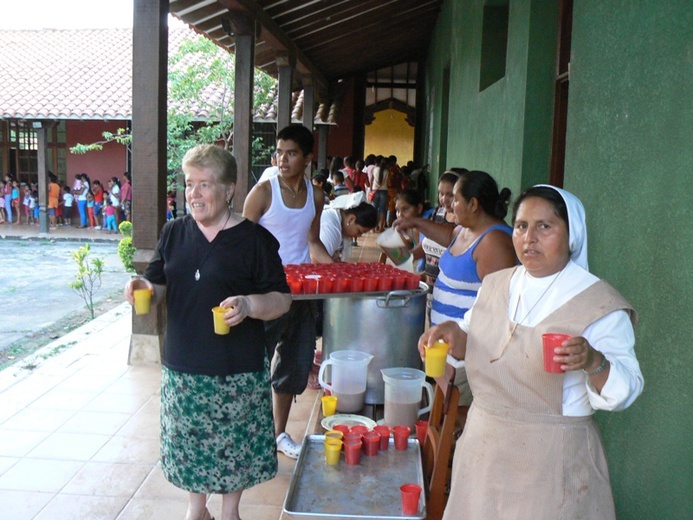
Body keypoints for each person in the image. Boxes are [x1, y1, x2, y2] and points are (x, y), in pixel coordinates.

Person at [420, 185, 643, 519]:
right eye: (522, 226)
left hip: (552, 464)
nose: (529, 238)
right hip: (483, 452)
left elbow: (627, 390)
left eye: (545, 226)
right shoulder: (498, 285)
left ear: (572, 235)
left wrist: (594, 361)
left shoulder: (598, 305)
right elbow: (476, 335)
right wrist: (453, 332)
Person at [124, 144, 291, 520]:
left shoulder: (255, 241)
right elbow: (158, 283)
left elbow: (281, 299)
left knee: (234, 449)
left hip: (237, 366)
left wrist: (249, 305)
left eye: (204, 184)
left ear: (229, 189)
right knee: (190, 447)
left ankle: (229, 511)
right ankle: (196, 510)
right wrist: (143, 289)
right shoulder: (174, 233)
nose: (194, 194)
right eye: (189, 184)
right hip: (184, 362)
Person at [243, 124, 333, 460]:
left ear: (308, 158)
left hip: (301, 295)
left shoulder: (316, 195)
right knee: (253, 364)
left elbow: (312, 242)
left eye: (291, 153)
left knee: (293, 365)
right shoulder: (264, 192)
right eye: (279, 152)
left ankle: (278, 434)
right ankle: (250, 434)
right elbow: (242, 242)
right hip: (265, 294)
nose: (282, 159)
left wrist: (334, 270)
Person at [320, 192, 377, 261]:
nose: (358, 236)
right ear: (351, 219)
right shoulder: (331, 227)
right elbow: (317, 261)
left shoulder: (335, 218)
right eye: (359, 231)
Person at [371, 156, 390, 232]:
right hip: (384, 191)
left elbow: (371, 180)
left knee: (374, 209)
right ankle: (381, 227)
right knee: (382, 209)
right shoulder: (387, 171)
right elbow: (389, 183)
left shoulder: (374, 169)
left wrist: (371, 189)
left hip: (375, 190)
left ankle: (373, 227)